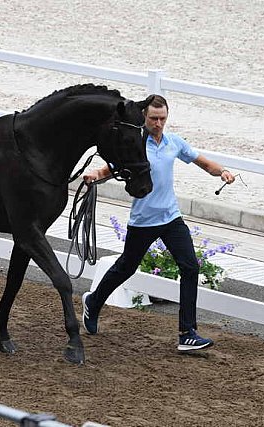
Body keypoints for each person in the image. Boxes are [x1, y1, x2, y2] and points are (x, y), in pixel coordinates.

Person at [81, 94, 235, 351]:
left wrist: (223, 172)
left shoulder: (173, 142)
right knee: (126, 268)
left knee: (189, 267)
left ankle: (187, 333)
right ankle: (94, 302)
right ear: (144, 117)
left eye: (162, 118)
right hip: (143, 221)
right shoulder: (135, 143)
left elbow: (203, 162)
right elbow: (109, 169)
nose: (158, 123)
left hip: (171, 217)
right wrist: (95, 174)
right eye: (154, 118)